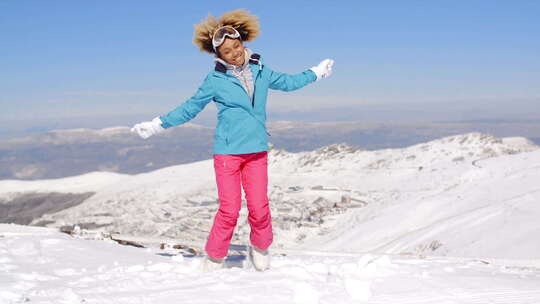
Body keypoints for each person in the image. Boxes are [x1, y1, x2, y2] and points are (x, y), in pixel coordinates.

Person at [131, 9, 334, 272]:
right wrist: (158, 124)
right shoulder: (215, 80)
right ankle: (215, 257)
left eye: (237, 46)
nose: (235, 53)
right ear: (219, 55)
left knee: (260, 208)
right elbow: (190, 107)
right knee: (229, 209)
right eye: (228, 51)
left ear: (243, 43)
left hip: (257, 151)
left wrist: (315, 73)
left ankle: (260, 247)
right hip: (228, 153)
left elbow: (289, 82)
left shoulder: (261, 70)